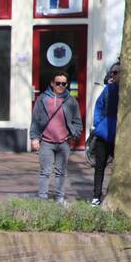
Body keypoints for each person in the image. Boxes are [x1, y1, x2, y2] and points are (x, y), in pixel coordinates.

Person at [30, 70, 83, 203]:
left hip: (63, 142)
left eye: (64, 84)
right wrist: (34, 138)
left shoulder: (71, 101)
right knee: (45, 172)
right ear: (52, 84)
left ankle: (59, 198)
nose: (61, 86)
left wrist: (73, 135)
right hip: (46, 142)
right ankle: (42, 199)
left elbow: (77, 121)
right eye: (58, 83)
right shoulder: (42, 99)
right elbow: (35, 120)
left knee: (61, 173)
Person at [89, 62, 120, 206]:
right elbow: (99, 106)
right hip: (104, 133)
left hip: (120, 136)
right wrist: (99, 123)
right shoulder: (108, 89)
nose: (112, 76)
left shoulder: (127, 92)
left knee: (119, 166)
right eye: (112, 73)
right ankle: (96, 195)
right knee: (100, 166)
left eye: (115, 73)